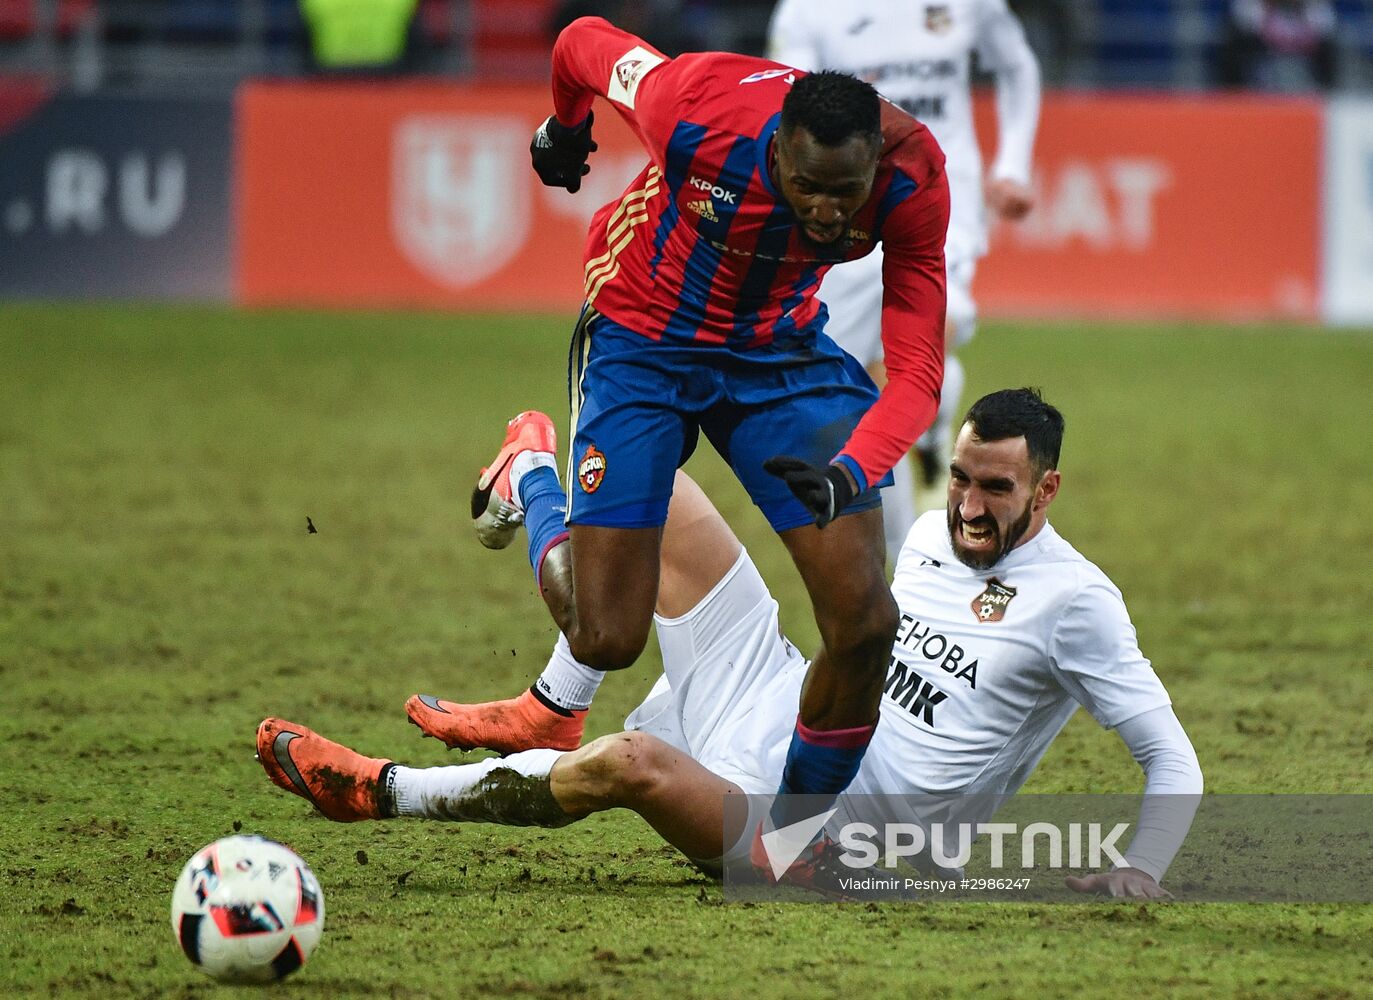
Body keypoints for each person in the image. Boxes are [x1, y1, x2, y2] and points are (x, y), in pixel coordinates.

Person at [259, 389, 1203, 898]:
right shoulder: (926, 534)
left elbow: (1173, 758)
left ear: (1046, 492)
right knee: (642, 473)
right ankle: (552, 634)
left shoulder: (1076, 601)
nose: (966, 505)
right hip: (779, 703)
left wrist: (1139, 867)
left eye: (995, 489)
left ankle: (382, 794)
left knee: (627, 766)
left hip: (824, 842)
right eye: (958, 478)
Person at [426, 16, 952, 814]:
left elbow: (915, 372)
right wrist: (566, 130)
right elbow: (578, 42)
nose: (822, 211)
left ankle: (794, 832)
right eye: (805, 185)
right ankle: (530, 472)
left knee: (867, 622)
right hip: (642, 336)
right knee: (607, 637)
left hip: (777, 350)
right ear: (776, 148)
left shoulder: (913, 180)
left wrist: (852, 471)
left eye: (844, 193)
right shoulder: (694, 108)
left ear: (874, 166)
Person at [769, 0, 1041, 563]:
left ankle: (933, 444)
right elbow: (786, 104)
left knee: (944, 322)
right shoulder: (806, 12)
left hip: (944, 202)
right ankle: (907, 546)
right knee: (859, 386)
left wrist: (1013, 163)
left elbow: (1017, 65)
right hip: (851, 214)